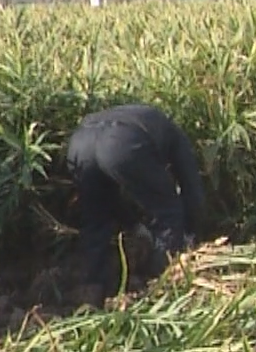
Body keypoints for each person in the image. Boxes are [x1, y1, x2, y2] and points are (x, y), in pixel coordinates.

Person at [65, 103, 206, 291]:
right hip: (123, 141)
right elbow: (191, 188)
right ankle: (161, 283)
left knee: (96, 218)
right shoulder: (175, 136)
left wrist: (134, 225)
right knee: (168, 212)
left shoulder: (149, 120)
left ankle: (92, 287)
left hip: (80, 144)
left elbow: (111, 201)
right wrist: (190, 233)